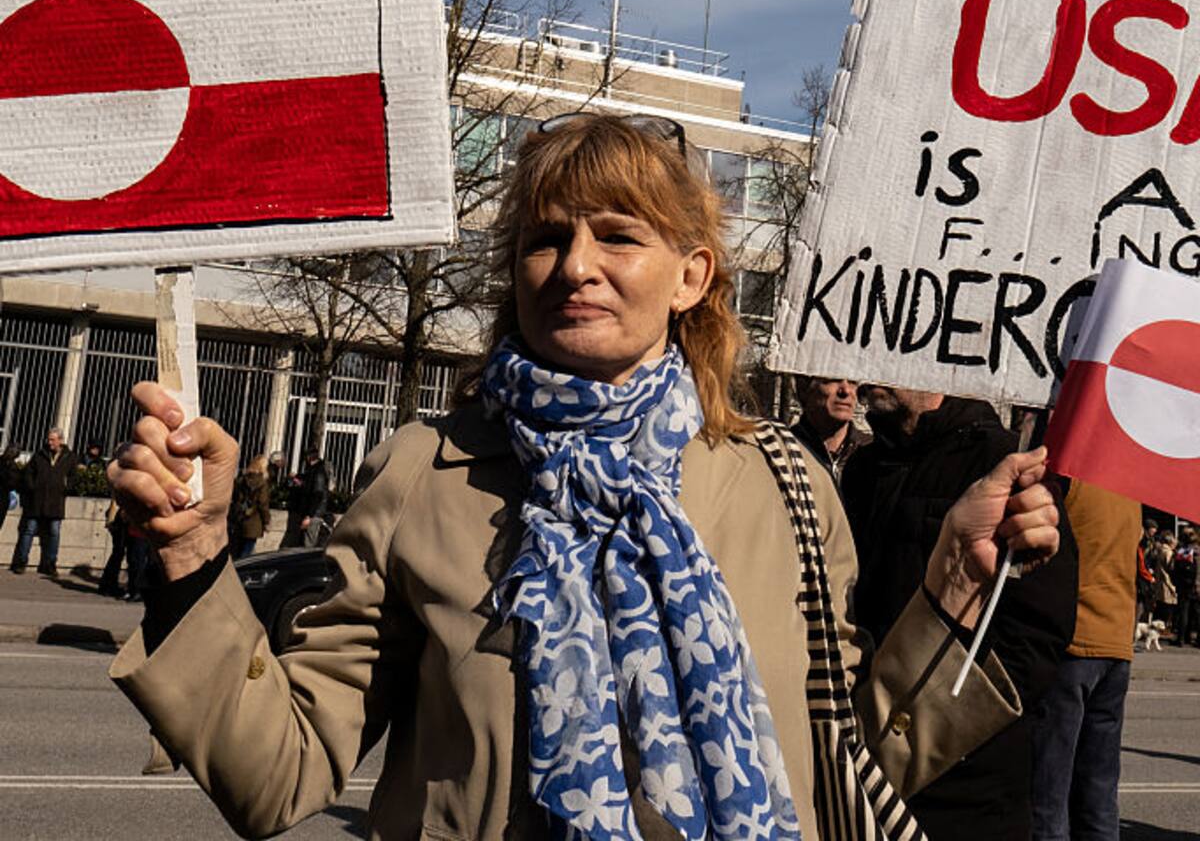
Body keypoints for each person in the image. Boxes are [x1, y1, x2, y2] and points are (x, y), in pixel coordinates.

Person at [106, 113, 1061, 840]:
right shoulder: (423, 474)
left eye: (617, 235)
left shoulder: (788, 485)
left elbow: (849, 767)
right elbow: (279, 775)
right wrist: (195, 562)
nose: (575, 267)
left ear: (691, 277)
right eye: (545, 238)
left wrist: (951, 591)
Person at [840, 386, 1078, 841]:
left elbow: (1037, 633)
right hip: (865, 764)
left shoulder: (1008, 462)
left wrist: (952, 729)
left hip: (967, 792)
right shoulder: (863, 468)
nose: (864, 377)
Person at [1030, 479, 1141, 841]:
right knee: (1099, 791)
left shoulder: (1067, 477)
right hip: (1116, 641)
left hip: (1072, 640)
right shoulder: (1130, 491)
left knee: (1049, 790)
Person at [10, 426, 78, 575]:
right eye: (48, 439)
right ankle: (20, 562)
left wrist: (65, 487)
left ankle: (50, 564)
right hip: (37, 501)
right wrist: (32, 487)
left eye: (52, 440)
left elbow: (74, 476)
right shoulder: (39, 454)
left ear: (60, 440)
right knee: (28, 531)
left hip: (56, 502)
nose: (49, 442)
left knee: (54, 533)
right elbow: (28, 473)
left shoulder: (70, 457)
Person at [790, 375, 867, 484]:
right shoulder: (784, 448)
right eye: (833, 379)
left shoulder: (874, 453)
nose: (846, 390)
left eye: (853, 382)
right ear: (802, 388)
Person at [280, 446, 328, 549]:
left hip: (313, 514)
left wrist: (309, 516)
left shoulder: (318, 472)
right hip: (309, 512)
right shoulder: (313, 470)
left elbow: (317, 494)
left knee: (308, 544)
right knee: (303, 543)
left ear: (309, 457)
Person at [229, 454, 272, 558]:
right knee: (247, 552)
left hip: (239, 518)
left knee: (236, 550)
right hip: (254, 520)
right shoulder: (262, 483)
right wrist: (267, 521)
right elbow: (263, 503)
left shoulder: (241, 480)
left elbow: (234, 497)